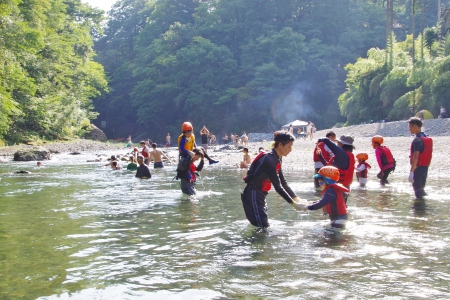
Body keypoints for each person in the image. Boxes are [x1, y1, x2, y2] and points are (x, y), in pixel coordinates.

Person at [241, 131, 305, 228]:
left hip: (260, 196)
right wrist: (294, 205)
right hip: (253, 195)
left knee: (263, 227)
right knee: (263, 227)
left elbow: (283, 182)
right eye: (289, 146)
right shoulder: (269, 159)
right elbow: (278, 187)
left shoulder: (277, 158)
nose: (290, 150)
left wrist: (296, 198)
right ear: (280, 145)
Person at [317, 135, 355, 201]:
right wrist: (320, 155)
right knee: (341, 207)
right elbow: (328, 167)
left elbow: (329, 143)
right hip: (344, 187)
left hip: (337, 188)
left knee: (333, 208)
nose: (337, 144)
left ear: (341, 144)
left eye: (338, 143)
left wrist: (323, 139)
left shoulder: (342, 154)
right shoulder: (346, 155)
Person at [408, 117, 433, 199]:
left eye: (410, 127)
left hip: (418, 169)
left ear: (415, 126)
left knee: (418, 193)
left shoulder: (417, 140)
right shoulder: (425, 137)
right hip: (425, 168)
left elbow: (416, 157)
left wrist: (411, 172)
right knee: (421, 191)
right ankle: (423, 210)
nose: (409, 129)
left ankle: (419, 211)